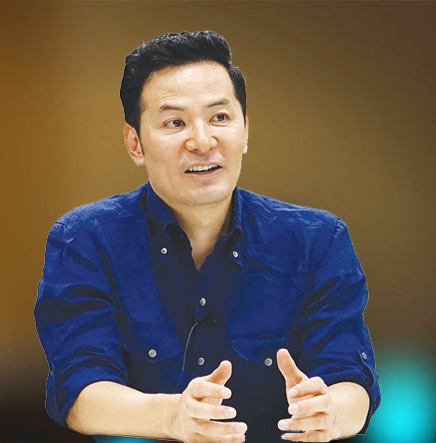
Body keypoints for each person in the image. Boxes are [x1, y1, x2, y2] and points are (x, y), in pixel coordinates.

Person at [34, 30, 380, 443]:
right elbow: (79, 390)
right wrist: (171, 416)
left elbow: (350, 378)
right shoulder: (83, 240)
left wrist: (332, 413)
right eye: (175, 122)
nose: (202, 141)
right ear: (135, 143)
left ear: (245, 130)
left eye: (220, 118)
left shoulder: (318, 240)